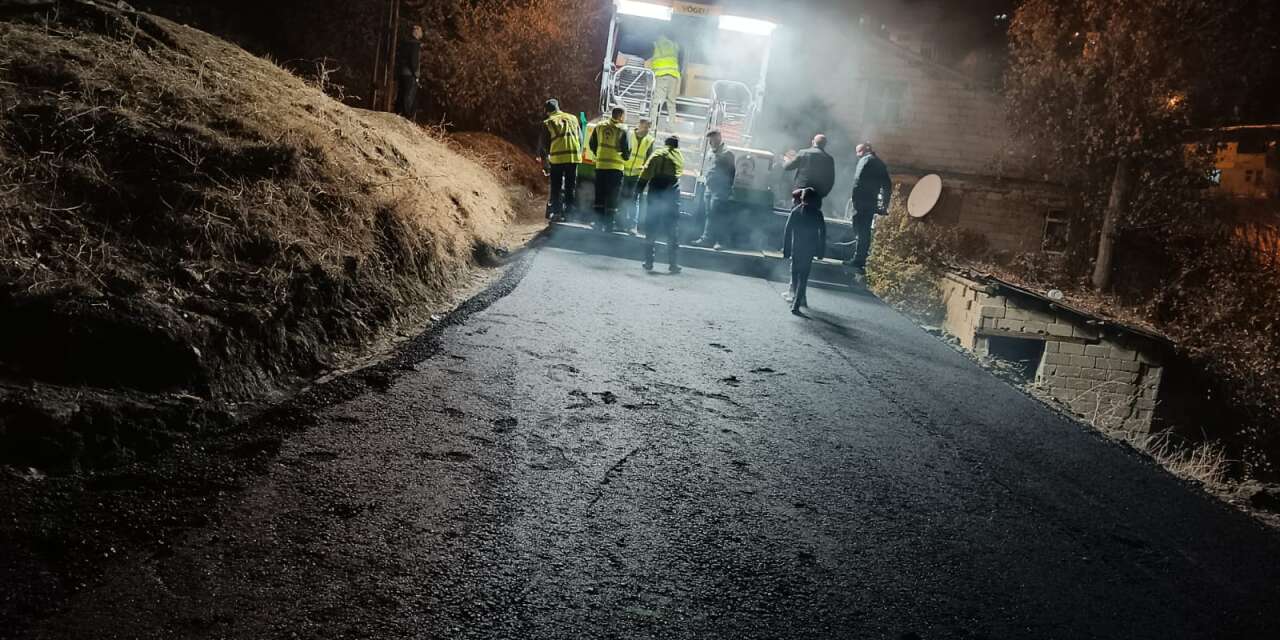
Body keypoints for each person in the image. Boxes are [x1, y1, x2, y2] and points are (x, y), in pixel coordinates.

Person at [639, 135, 685, 273]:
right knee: (672, 230)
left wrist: (638, 189)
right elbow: (679, 174)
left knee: (651, 226)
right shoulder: (679, 156)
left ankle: (648, 262)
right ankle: (673, 264)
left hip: (656, 190)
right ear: (677, 145)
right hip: (671, 193)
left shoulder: (657, 153)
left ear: (665, 143)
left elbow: (646, 171)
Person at [845, 142, 892, 272]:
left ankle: (858, 259)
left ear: (864, 150)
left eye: (858, 152)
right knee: (865, 230)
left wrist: (854, 200)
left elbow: (857, 181)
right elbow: (887, 186)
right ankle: (862, 258)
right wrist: (884, 205)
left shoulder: (864, 161)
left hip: (861, 201)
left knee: (859, 230)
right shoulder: (880, 164)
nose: (857, 155)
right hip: (871, 202)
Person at [782, 187, 827, 314]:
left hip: (797, 248)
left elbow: (788, 231)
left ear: (803, 198)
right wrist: (821, 252)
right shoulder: (818, 213)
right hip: (809, 250)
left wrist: (786, 250)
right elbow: (822, 234)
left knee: (795, 274)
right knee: (804, 276)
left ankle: (797, 300)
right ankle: (798, 301)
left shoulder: (796, 211)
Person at [537, 99, 583, 221]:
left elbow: (544, 145)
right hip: (573, 158)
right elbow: (580, 138)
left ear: (547, 111)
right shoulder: (573, 118)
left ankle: (556, 213)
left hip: (558, 159)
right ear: (558, 107)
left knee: (556, 187)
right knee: (570, 187)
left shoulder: (548, 122)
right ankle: (569, 213)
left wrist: (545, 161)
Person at [588, 107, 632, 231]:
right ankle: (609, 224)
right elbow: (627, 149)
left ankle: (597, 222)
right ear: (621, 116)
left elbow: (592, 144)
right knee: (612, 196)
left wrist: (600, 154)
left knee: (599, 194)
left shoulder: (600, 126)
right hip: (615, 168)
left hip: (601, 166)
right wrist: (624, 157)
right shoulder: (623, 129)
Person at [694, 130, 736, 250]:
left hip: (721, 189)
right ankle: (706, 239)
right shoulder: (710, 152)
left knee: (719, 215)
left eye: (711, 140)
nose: (710, 143)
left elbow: (732, 172)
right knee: (710, 214)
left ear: (718, 138)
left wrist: (728, 189)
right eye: (709, 140)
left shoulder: (727, 153)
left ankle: (721, 242)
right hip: (710, 188)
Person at [782, 134, 835, 211]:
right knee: (812, 216)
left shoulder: (803, 153)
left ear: (813, 142)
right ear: (824, 145)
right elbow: (831, 180)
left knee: (797, 213)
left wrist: (786, 160)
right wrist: (822, 194)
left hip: (800, 191)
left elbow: (787, 167)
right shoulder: (829, 159)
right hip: (817, 194)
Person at [622, 118, 657, 234]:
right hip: (623, 170)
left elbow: (649, 158)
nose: (648, 129)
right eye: (646, 126)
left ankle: (633, 226)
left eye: (649, 127)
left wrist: (645, 173)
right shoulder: (630, 134)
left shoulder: (650, 140)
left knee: (634, 200)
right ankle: (620, 224)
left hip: (637, 174)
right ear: (640, 125)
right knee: (621, 198)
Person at [647, 32, 683, 132]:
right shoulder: (674, 45)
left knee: (657, 102)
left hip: (662, 75)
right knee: (671, 102)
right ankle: (672, 127)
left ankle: (653, 125)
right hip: (674, 76)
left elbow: (649, 58)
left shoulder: (656, 44)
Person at [395, 24, 424, 118]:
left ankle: (397, 112)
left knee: (401, 93)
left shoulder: (404, 43)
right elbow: (414, 61)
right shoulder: (416, 45)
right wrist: (416, 75)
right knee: (409, 95)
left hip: (402, 72)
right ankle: (407, 116)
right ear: (418, 33)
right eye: (420, 32)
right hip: (410, 74)